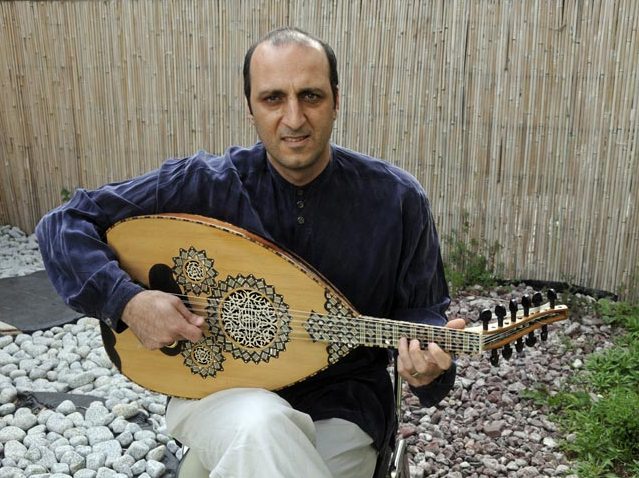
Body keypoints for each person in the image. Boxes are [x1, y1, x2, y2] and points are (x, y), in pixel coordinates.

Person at [37, 27, 465, 478]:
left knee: (259, 439)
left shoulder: (395, 200)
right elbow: (64, 223)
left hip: (343, 404)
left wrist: (427, 367)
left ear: (336, 100)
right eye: (273, 99)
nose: (295, 119)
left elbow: (423, 313)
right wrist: (127, 301)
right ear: (250, 108)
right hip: (215, 391)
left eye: (311, 96)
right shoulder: (203, 184)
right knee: (260, 422)